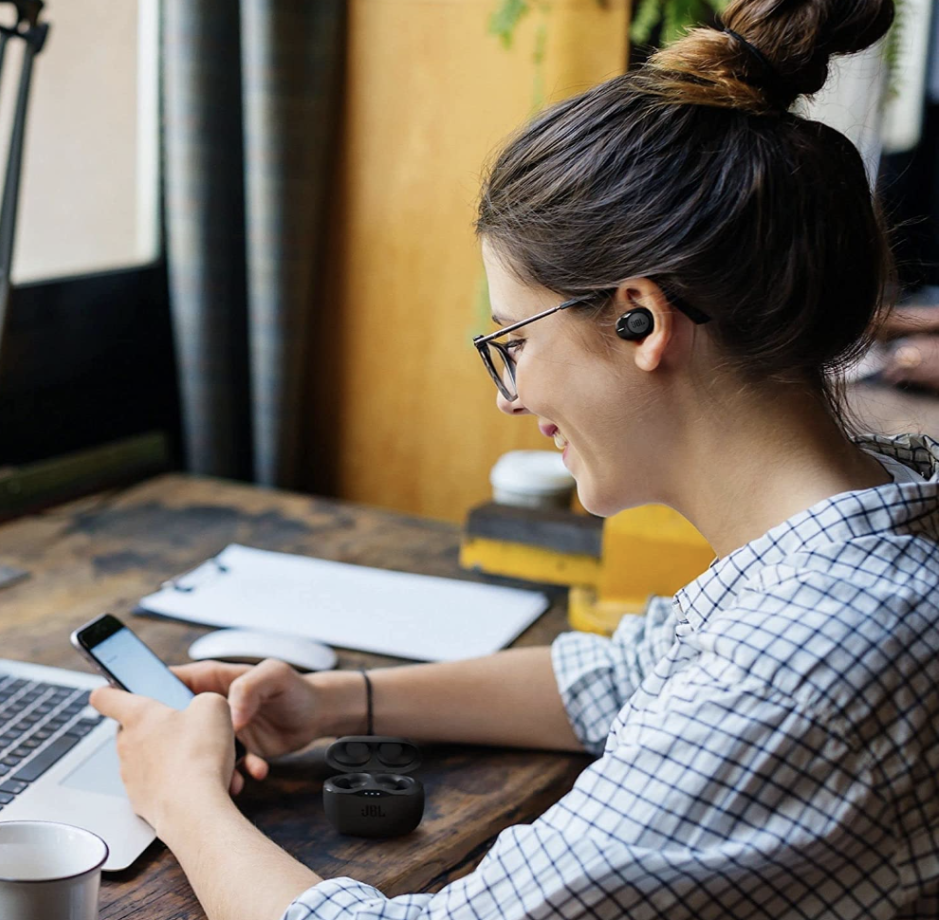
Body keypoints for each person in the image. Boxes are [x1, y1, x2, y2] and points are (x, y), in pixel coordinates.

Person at [92, 0, 939, 917]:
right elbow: (615, 679)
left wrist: (181, 797)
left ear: (640, 320)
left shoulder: (798, 662)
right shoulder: (870, 521)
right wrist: (331, 702)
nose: (509, 395)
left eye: (515, 340)